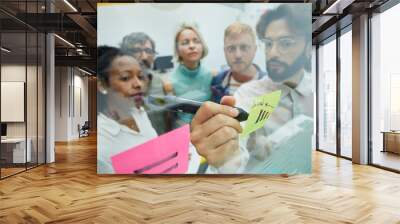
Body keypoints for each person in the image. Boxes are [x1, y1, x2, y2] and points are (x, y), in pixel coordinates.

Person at [191, 4, 313, 174]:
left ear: (308, 48)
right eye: (269, 44)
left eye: (285, 43)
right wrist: (227, 155)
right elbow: (235, 149)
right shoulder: (246, 93)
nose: (273, 53)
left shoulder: (319, 92)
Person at [97, 46, 158, 174]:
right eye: (125, 78)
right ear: (102, 84)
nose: (138, 84)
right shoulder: (101, 143)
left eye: (140, 76)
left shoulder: (139, 111)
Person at [120, 32, 173, 134]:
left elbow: (168, 117)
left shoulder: (160, 82)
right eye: (136, 50)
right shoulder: (116, 87)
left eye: (148, 51)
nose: (144, 57)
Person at [211, 22, 266, 103]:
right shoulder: (216, 81)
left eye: (244, 47)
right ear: (225, 51)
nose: (238, 55)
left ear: (254, 50)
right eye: (231, 48)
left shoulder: (271, 85)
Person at [170, 24, 213, 127]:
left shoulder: (212, 75)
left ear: (202, 46)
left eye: (196, 41)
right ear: (177, 50)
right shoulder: (169, 82)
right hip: (183, 131)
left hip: (208, 128)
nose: (192, 46)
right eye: (185, 43)